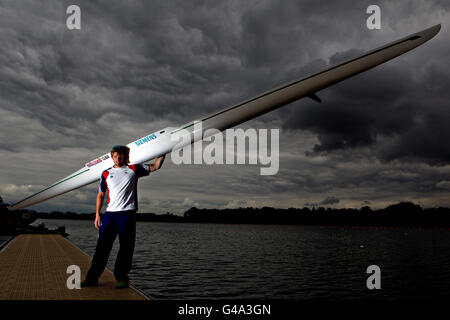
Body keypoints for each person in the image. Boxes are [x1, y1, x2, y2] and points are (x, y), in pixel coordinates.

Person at [81, 145, 165, 289]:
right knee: (102, 247)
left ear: (125, 156)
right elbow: (101, 194)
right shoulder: (106, 173)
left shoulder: (134, 169)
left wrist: (164, 149)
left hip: (127, 214)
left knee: (126, 247)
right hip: (109, 215)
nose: (118, 159)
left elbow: (156, 166)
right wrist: (97, 215)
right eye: (115, 156)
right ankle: (91, 279)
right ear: (112, 157)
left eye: (120, 156)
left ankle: (122, 278)